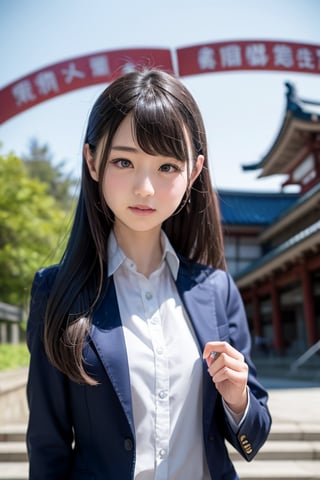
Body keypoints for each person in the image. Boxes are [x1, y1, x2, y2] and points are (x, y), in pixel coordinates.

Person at [26, 68, 271, 480]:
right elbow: (47, 451)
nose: (145, 188)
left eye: (167, 167)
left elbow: (254, 436)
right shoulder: (55, 291)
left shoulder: (216, 289)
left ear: (193, 172)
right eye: (124, 160)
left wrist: (236, 398)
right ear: (92, 160)